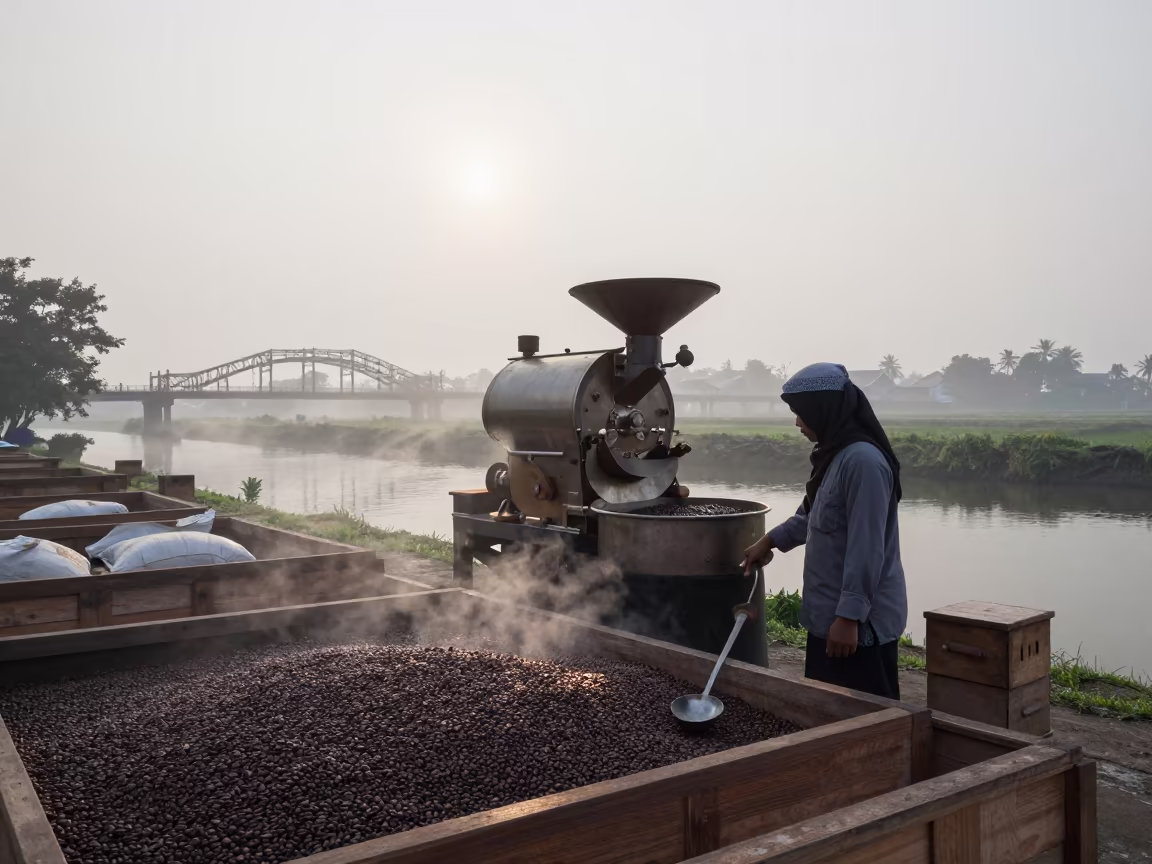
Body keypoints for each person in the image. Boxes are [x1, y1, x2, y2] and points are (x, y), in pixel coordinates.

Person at [742, 363, 906, 699]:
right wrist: (770, 540)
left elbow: (867, 546)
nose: (798, 422)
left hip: (859, 629)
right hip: (827, 618)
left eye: (802, 413)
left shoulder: (863, 463)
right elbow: (815, 515)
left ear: (824, 410)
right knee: (823, 715)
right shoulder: (835, 456)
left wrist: (849, 618)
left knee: (865, 726)